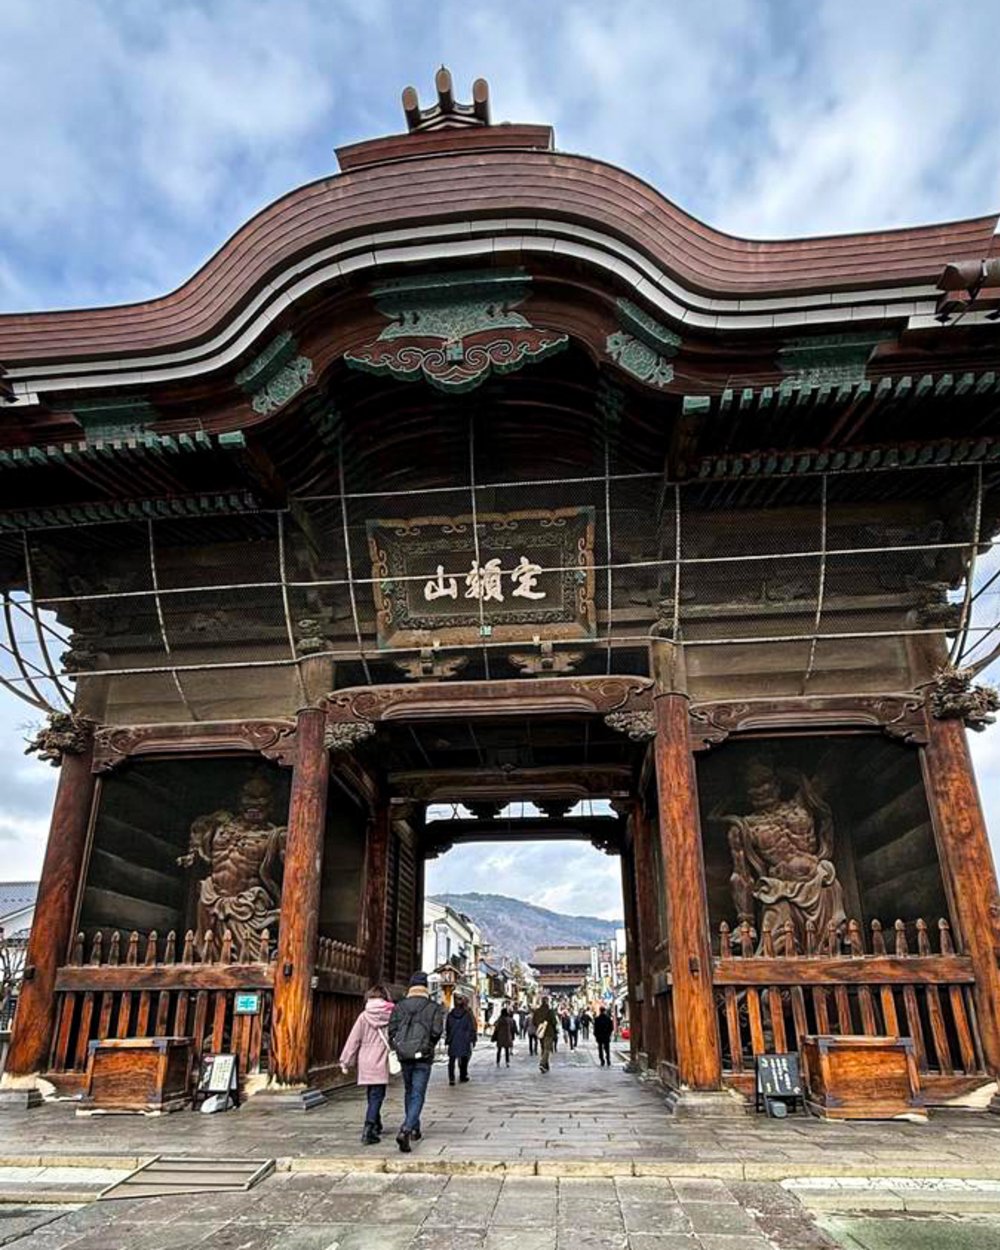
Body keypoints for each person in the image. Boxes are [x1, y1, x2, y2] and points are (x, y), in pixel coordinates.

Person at [388, 971, 445, 1152]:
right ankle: (406, 1128)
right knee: (418, 1092)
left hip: (404, 1055)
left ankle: (415, 1128)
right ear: (425, 987)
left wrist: (399, 1046)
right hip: (424, 1056)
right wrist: (428, 1046)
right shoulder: (433, 1007)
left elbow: (392, 1030)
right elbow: (437, 1031)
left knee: (409, 1090)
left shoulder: (400, 1006)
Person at [339, 984, 395, 1145]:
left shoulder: (364, 1016)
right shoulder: (391, 1014)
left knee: (372, 1093)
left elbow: (354, 1039)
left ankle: (376, 1123)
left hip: (365, 1059)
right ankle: (369, 1128)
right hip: (381, 1058)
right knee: (378, 1094)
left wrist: (346, 1060)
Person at [445, 994, 477, 1086]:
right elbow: (471, 1027)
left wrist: (448, 1038)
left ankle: (451, 1078)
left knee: (451, 1060)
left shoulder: (450, 1015)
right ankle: (463, 1075)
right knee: (464, 1058)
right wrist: (472, 1038)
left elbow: (448, 1028)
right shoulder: (467, 1015)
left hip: (453, 1039)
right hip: (464, 1039)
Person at [533, 996, 559, 1073]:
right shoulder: (550, 1011)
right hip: (549, 1032)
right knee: (547, 1049)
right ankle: (542, 1063)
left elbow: (533, 1021)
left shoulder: (537, 1011)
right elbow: (554, 1022)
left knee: (543, 1049)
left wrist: (539, 1026)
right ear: (547, 1002)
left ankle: (546, 1066)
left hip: (540, 1032)